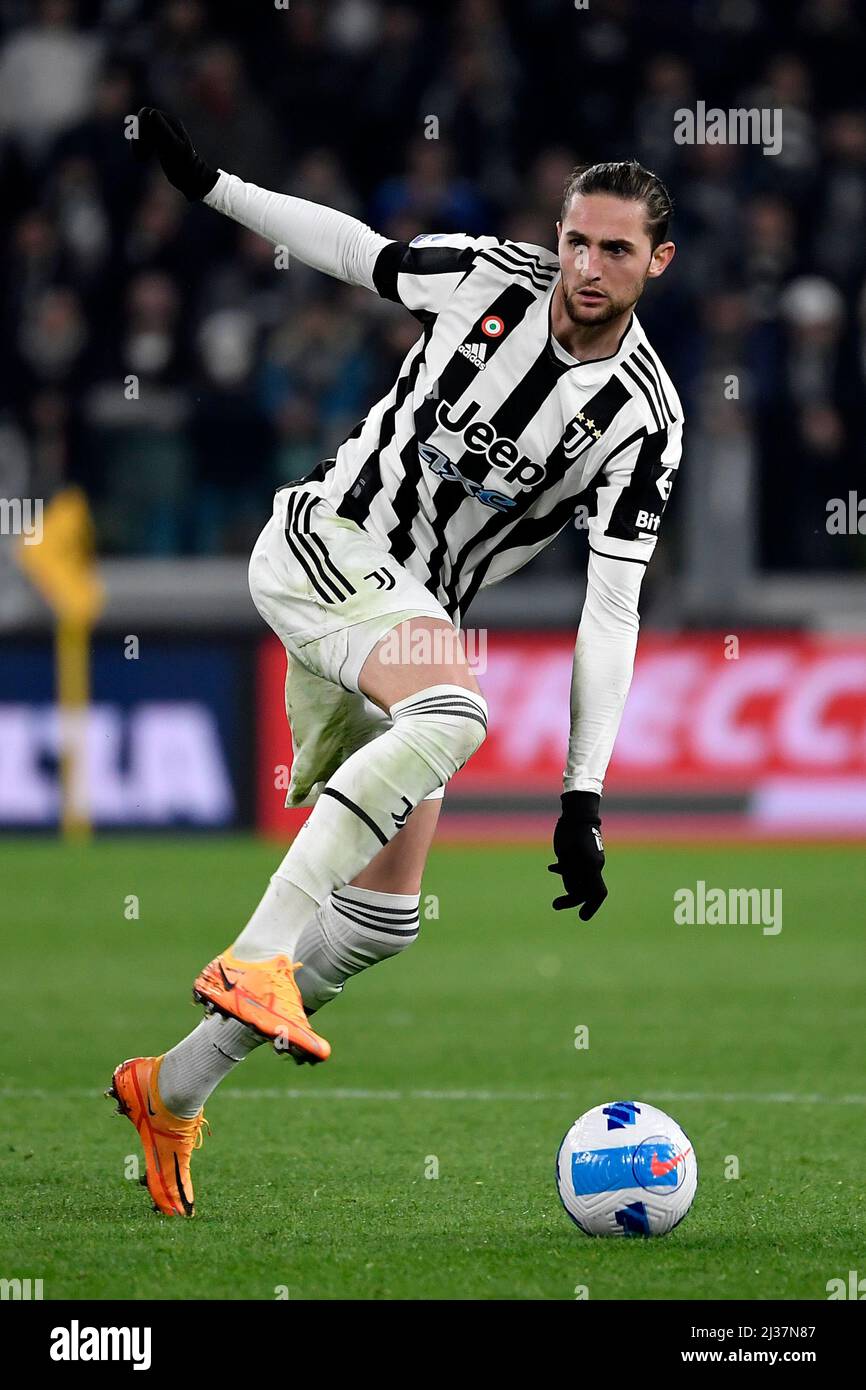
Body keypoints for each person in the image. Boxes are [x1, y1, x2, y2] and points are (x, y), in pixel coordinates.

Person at [108, 108, 681, 1217]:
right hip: (331, 541)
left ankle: (169, 1089)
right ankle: (256, 953)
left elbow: (610, 610)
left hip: (407, 615)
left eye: (615, 248)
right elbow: (345, 246)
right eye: (576, 239)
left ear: (656, 261)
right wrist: (212, 185)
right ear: (554, 235)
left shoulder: (642, 422)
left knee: (382, 920)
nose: (587, 265)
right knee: (455, 713)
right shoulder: (480, 278)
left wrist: (582, 794)